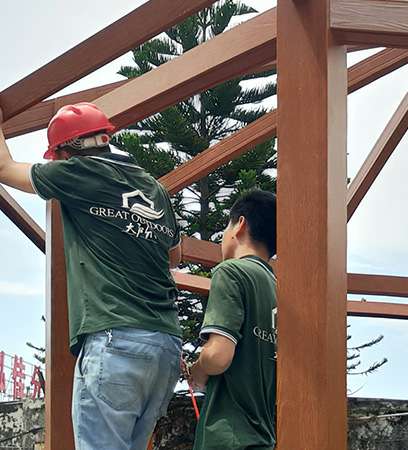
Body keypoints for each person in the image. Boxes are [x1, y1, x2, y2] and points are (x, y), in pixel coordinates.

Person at [0, 103, 182, 450]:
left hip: (117, 340)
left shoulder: (79, 172)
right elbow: (173, 256)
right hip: (165, 346)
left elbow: (4, 168)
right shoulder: (154, 188)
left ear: (65, 152)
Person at [191, 189, 277, 450]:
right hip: (263, 437)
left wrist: (198, 370)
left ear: (240, 224)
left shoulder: (232, 272)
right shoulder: (278, 287)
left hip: (228, 437)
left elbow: (218, 357)